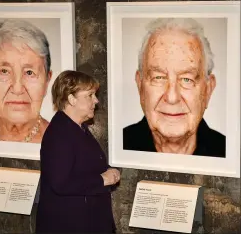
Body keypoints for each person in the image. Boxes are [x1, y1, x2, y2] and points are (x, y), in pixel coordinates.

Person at [123, 18, 225, 157]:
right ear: (140, 85)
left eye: (187, 79)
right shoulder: (116, 148)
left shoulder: (229, 153)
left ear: (208, 90)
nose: (172, 98)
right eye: (158, 77)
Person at [36, 70, 121, 233]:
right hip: (69, 224)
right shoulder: (59, 134)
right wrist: (102, 179)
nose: (95, 101)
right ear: (71, 99)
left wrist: (107, 170)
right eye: (90, 95)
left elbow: (84, 166)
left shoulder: (77, 128)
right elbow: (60, 183)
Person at [0, 19, 52, 143]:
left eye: (29, 72)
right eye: (4, 71)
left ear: (47, 81)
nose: (17, 89)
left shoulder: (62, 141)